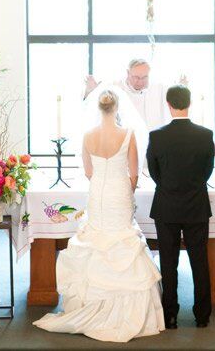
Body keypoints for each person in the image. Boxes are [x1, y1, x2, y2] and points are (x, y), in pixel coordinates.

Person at [33, 89, 165, 343]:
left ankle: (90, 305)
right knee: (122, 238)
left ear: (99, 108)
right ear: (117, 108)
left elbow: (88, 171)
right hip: (120, 191)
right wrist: (127, 190)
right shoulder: (128, 134)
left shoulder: (88, 135)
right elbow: (135, 172)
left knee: (96, 239)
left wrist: (102, 184)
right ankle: (126, 310)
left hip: (98, 192)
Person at [146, 84, 215, 330]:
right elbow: (208, 171)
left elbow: (154, 171)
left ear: (168, 104)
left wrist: (168, 187)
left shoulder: (157, 136)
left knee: (168, 260)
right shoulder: (205, 135)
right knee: (199, 260)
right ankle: (202, 315)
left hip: (167, 206)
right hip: (196, 205)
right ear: (190, 103)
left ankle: (170, 316)